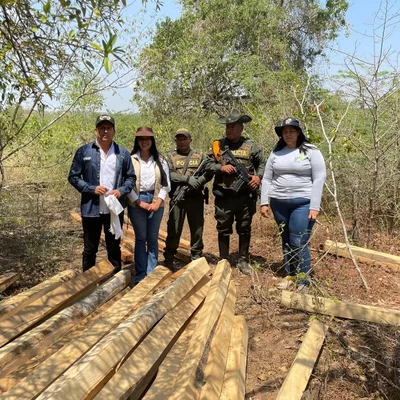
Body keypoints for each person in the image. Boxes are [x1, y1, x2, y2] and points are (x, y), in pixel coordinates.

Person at [260, 117, 326, 290]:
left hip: (303, 203)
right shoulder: (277, 152)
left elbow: (319, 177)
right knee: (286, 239)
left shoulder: (311, 150)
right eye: (285, 132)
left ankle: (303, 279)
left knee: (299, 240)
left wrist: (314, 206)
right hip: (278, 202)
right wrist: (264, 202)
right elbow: (267, 177)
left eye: (291, 131)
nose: (288, 134)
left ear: (298, 132)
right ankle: (290, 275)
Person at [68, 114, 135, 272]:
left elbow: (131, 178)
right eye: (102, 128)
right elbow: (73, 176)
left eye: (108, 128)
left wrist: (121, 190)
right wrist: (92, 188)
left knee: (114, 248)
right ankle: (87, 284)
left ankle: (116, 281)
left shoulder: (122, 154)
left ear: (114, 131)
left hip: (113, 209)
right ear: (96, 131)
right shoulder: (84, 151)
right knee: (90, 250)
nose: (105, 131)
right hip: (91, 209)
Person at [206, 109, 266, 275]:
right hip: (224, 196)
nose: (229, 130)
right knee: (223, 228)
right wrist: (220, 167)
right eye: (227, 127)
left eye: (233, 127)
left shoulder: (251, 146)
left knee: (244, 228)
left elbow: (262, 163)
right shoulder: (218, 145)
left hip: (245, 197)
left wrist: (258, 178)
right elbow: (207, 165)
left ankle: (242, 259)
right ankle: (223, 259)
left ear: (241, 128)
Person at [163, 128, 213, 270]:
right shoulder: (170, 156)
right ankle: (169, 259)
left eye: (184, 138)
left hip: (195, 198)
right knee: (174, 228)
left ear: (190, 140)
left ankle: (196, 256)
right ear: (176, 141)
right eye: (179, 139)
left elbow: (209, 171)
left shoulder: (199, 155)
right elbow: (168, 174)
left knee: (197, 228)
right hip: (178, 199)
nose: (182, 141)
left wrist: (201, 180)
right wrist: (187, 179)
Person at [127, 127, 170, 284]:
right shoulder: (131, 160)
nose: (144, 141)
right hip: (136, 201)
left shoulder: (161, 160)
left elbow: (166, 185)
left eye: (147, 138)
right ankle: (140, 275)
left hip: (156, 199)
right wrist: (139, 202)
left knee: (152, 238)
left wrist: (157, 202)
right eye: (141, 139)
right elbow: (127, 184)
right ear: (137, 141)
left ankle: (151, 275)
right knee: (140, 238)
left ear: (152, 141)